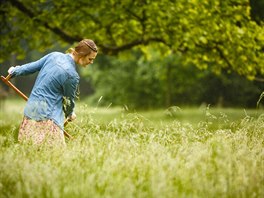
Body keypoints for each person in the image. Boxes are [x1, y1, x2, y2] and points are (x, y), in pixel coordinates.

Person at [8, 39, 98, 146]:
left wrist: (14, 71)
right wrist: (70, 113)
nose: (91, 62)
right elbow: (68, 100)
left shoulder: (54, 55)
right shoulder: (72, 75)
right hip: (49, 118)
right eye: (90, 59)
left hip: (31, 111)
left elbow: (31, 67)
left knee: (29, 151)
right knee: (53, 157)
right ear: (82, 55)